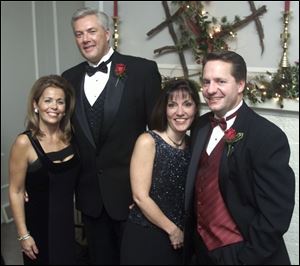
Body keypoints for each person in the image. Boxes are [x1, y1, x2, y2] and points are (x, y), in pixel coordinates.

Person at [61, 7, 162, 265]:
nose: (85, 39)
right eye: (79, 34)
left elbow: (160, 136)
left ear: (107, 33)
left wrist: (150, 195)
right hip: (90, 198)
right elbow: (62, 135)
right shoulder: (68, 79)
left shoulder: (142, 71)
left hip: (132, 198)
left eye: (91, 31)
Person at [183, 51, 295, 265]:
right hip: (201, 252)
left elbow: (276, 214)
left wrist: (246, 258)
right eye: (206, 82)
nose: (210, 89)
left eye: (220, 81)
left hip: (241, 253)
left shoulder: (267, 136)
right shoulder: (200, 126)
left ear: (241, 84)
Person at [120, 79, 200, 265]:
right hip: (148, 235)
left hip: (180, 239)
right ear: (165, 109)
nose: (180, 112)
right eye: (172, 105)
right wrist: (172, 231)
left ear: (195, 110)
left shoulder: (193, 144)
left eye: (187, 104)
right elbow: (140, 197)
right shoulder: (148, 141)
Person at [8, 75, 80, 265]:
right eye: (47, 100)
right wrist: (23, 235)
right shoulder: (24, 143)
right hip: (39, 229)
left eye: (60, 101)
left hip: (66, 226)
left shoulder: (71, 138)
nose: (54, 107)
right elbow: (16, 191)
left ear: (66, 108)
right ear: (36, 105)